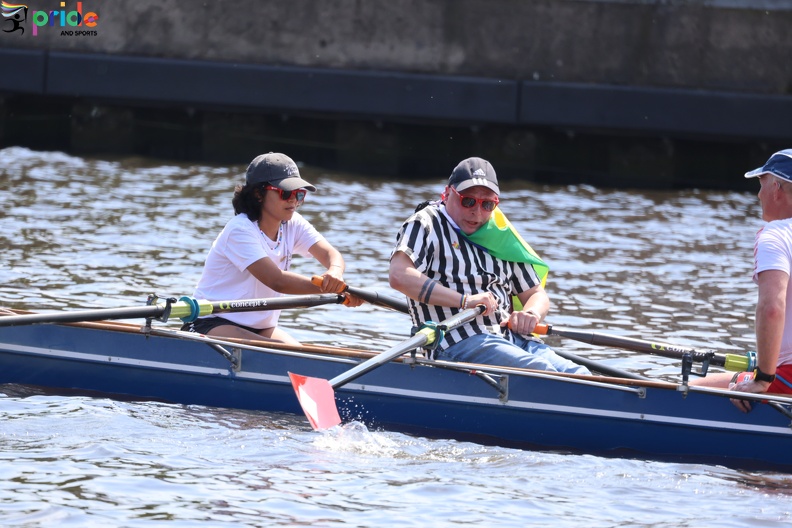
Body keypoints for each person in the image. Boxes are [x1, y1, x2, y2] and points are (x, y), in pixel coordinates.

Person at [388, 156, 589, 374]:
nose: (477, 212)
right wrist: (465, 301)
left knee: (580, 374)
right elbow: (399, 276)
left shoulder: (499, 233)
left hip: (513, 339)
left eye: (487, 204)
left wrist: (530, 314)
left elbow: (536, 293)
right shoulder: (425, 223)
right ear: (447, 194)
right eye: (468, 201)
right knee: (540, 370)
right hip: (457, 341)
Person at [183, 152, 362, 345]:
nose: (293, 200)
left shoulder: (293, 223)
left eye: (299, 194)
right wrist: (333, 289)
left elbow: (330, 253)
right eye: (286, 193)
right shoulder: (240, 230)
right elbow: (276, 280)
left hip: (261, 327)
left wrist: (335, 273)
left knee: (303, 354)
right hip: (210, 321)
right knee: (287, 355)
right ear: (258, 194)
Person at [691, 149, 792, 410]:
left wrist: (763, 378)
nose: (759, 195)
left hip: (788, 378)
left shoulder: (776, 235)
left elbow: (772, 309)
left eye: (762, 184)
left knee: (686, 391)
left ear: (776, 189)